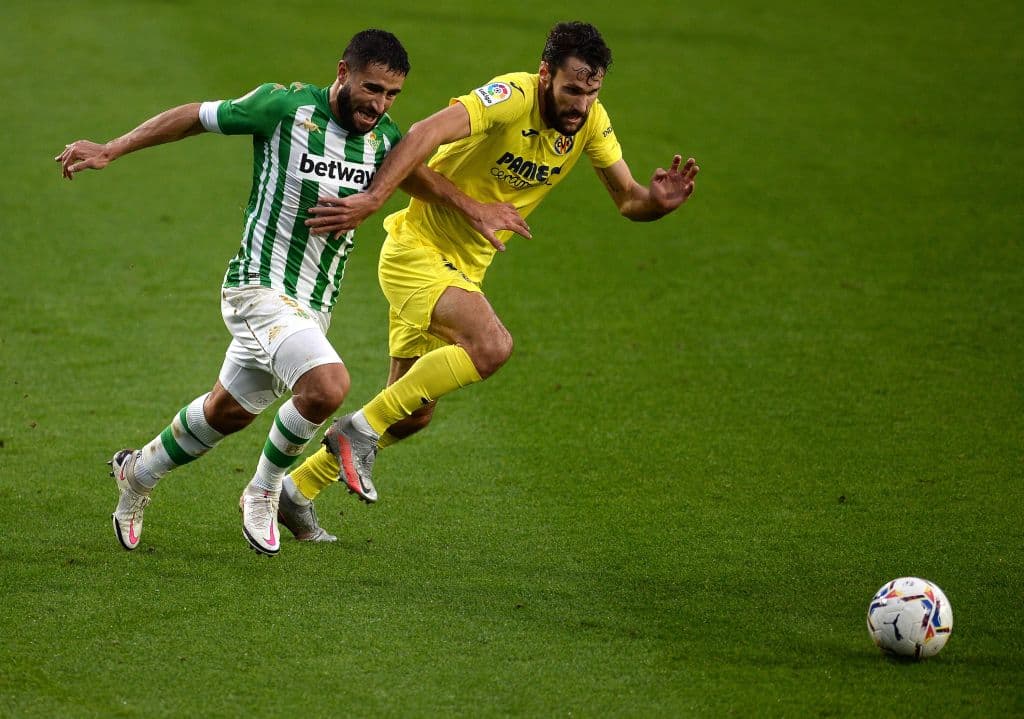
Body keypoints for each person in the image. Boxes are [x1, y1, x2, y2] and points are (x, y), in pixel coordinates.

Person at [55, 29, 529, 556]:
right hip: (258, 287)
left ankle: (137, 475)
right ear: (343, 73)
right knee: (328, 387)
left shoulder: (382, 139)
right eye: (371, 88)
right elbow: (195, 115)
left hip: (312, 304)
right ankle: (263, 492)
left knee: (226, 412)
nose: (379, 104)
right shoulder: (284, 107)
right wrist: (113, 148)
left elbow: (416, 179)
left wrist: (476, 208)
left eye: (392, 94)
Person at [281, 21, 700, 522]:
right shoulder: (508, 97)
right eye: (571, 89)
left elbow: (629, 200)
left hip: (462, 270)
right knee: (491, 346)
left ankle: (297, 490)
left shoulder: (590, 122)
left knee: (413, 414)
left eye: (592, 92)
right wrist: (374, 197)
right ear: (546, 74)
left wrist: (658, 203)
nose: (581, 105)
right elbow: (421, 133)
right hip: (415, 253)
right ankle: (357, 431)